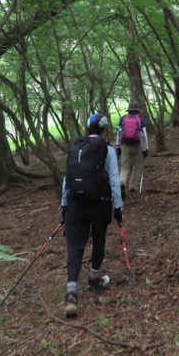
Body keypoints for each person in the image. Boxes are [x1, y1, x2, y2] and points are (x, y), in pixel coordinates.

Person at [60, 113, 123, 318]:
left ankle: (71, 293)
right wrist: (119, 208)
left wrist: (64, 205)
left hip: (75, 205)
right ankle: (94, 279)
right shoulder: (108, 150)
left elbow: (66, 180)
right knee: (98, 240)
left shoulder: (77, 149)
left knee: (75, 246)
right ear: (105, 130)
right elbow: (114, 180)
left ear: (87, 130)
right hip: (99, 204)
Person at [115, 101, 149, 197]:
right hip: (137, 146)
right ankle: (132, 188)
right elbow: (144, 136)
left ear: (129, 110)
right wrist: (145, 149)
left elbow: (119, 133)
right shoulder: (141, 120)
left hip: (125, 146)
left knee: (125, 167)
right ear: (138, 111)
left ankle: (122, 183)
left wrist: (117, 146)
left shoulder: (123, 119)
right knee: (136, 167)